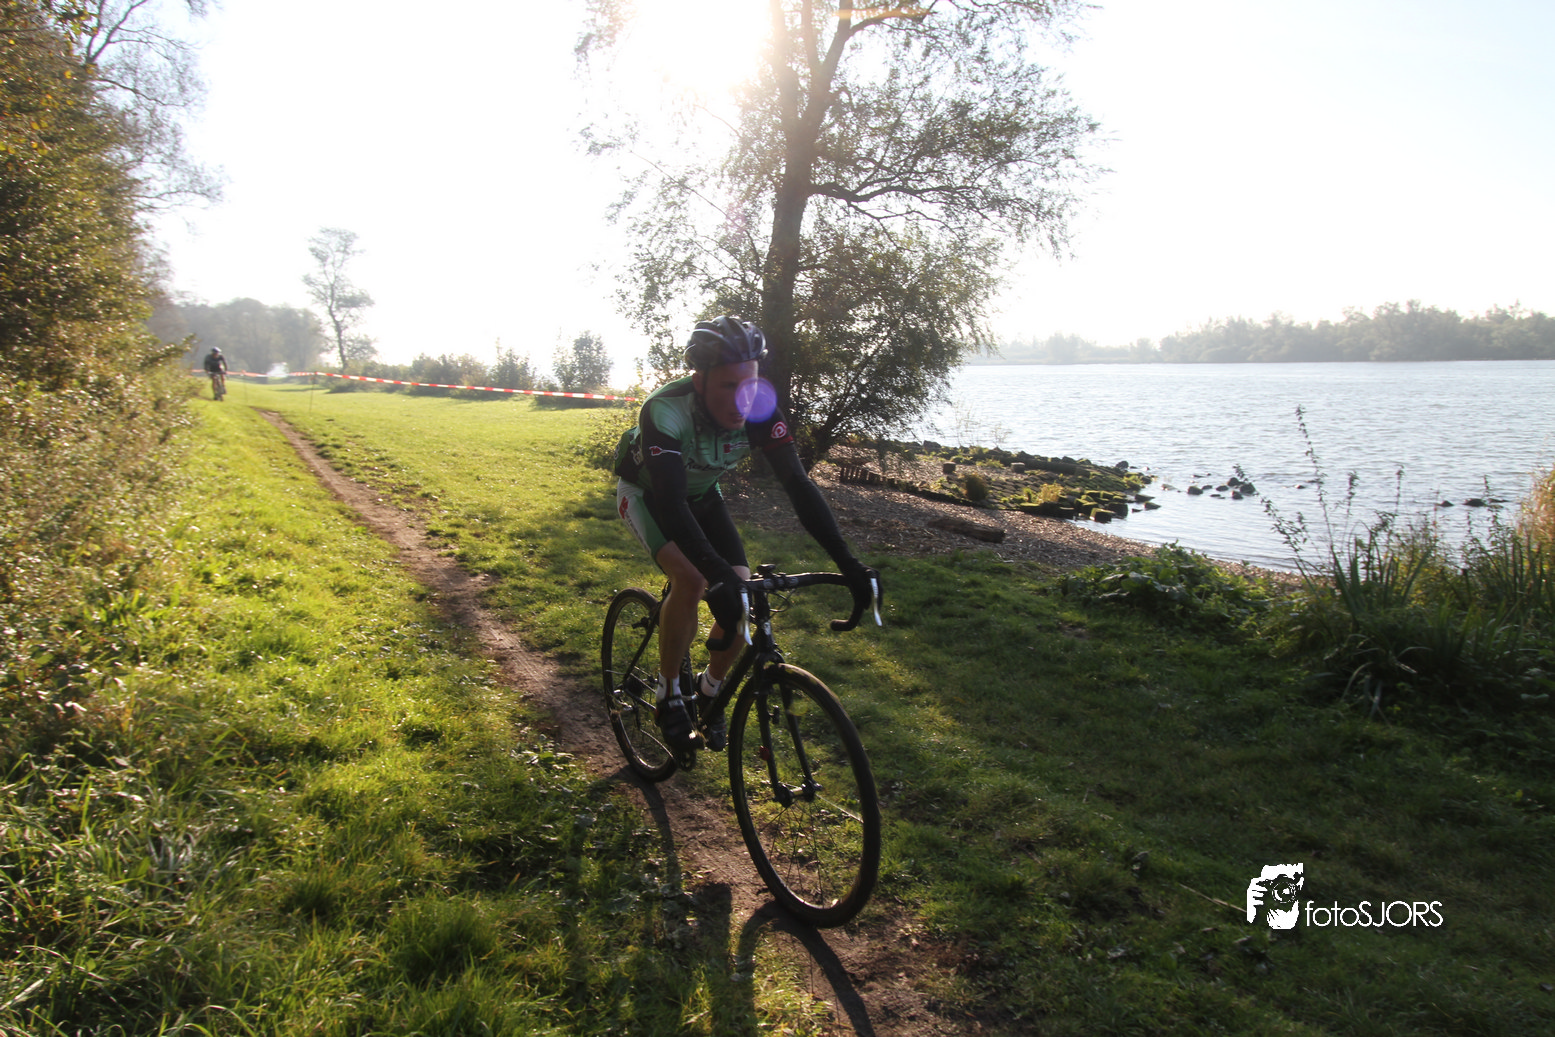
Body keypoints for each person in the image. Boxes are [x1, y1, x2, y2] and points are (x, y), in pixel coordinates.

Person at [614, 316, 880, 754]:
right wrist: (714, 571)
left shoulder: (760, 409)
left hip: (704, 495)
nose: (742, 400)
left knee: (742, 591)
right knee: (693, 579)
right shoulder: (665, 409)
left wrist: (848, 562)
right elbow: (672, 503)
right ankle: (668, 692)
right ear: (699, 381)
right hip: (649, 494)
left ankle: (709, 689)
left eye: (751, 383)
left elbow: (798, 486)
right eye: (728, 386)